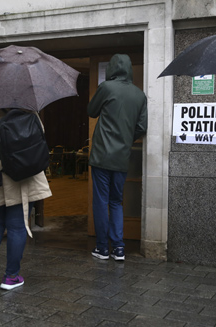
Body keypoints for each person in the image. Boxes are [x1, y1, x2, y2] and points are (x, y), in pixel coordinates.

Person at [0, 100, 52, 290]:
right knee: (17, 225)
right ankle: (11, 277)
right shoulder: (26, 104)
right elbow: (39, 133)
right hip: (19, 169)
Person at [88, 54, 147, 261]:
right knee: (116, 202)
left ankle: (103, 248)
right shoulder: (140, 95)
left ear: (112, 68)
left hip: (101, 155)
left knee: (101, 201)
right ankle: (119, 248)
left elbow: (91, 111)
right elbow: (141, 127)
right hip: (122, 156)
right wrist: (126, 141)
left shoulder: (106, 88)